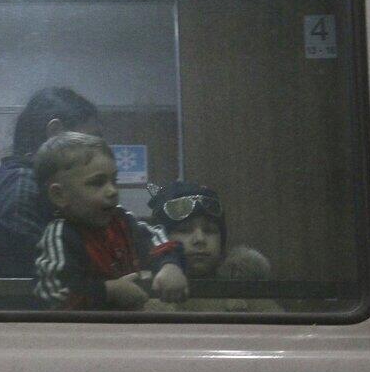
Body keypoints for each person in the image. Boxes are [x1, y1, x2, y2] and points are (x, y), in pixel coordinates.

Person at [33, 132, 188, 310]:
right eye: (97, 183)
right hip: (82, 333)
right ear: (59, 195)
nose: (113, 191)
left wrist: (169, 265)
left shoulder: (121, 220)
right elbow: (53, 293)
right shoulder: (59, 236)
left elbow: (155, 236)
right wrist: (109, 290)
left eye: (114, 180)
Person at [0, 87, 101, 277]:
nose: (99, 151)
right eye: (91, 139)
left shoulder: (26, 180)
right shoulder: (23, 184)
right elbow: (34, 270)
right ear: (55, 132)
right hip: (16, 305)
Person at [143, 181, 280, 313]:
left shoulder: (248, 295)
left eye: (209, 231)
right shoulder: (143, 294)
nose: (200, 239)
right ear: (163, 240)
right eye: (184, 230)